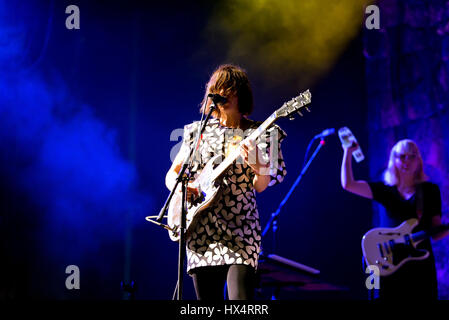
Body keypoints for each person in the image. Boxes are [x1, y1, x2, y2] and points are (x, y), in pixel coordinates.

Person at [165, 64, 287, 300]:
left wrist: (258, 164)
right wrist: (183, 187)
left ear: (241, 94)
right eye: (219, 89)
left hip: (240, 234)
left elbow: (260, 186)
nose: (225, 94)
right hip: (201, 233)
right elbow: (172, 174)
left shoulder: (262, 132)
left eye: (231, 89)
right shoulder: (196, 132)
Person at [341, 139, 448, 300]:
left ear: (418, 161)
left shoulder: (430, 190)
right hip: (385, 262)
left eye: (412, 156)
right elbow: (348, 184)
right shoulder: (384, 189)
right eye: (402, 156)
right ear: (394, 160)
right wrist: (347, 152)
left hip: (420, 263)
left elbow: (436, 231)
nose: (406, 161)